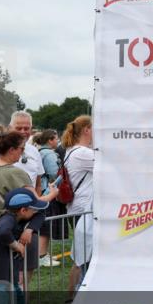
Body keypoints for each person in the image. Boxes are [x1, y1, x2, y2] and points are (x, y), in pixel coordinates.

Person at [0, 112, 49, 266]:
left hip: (29, 224)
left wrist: (33, 211)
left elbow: (38, 183)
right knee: (1, 274)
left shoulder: (33, 151)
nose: (24, 131)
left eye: (27, 128)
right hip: (4, 223)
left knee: (27, 270)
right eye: (19, 127)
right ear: (10, 127)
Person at [61, 116, 93, 294]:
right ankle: (73, 297)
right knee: (83, 260)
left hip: (79, 209)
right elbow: (111, 166)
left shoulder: (74, 150)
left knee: (82, 258)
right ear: (87, 130)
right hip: (84, 211)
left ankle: (71, 297)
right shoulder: (83, 153)